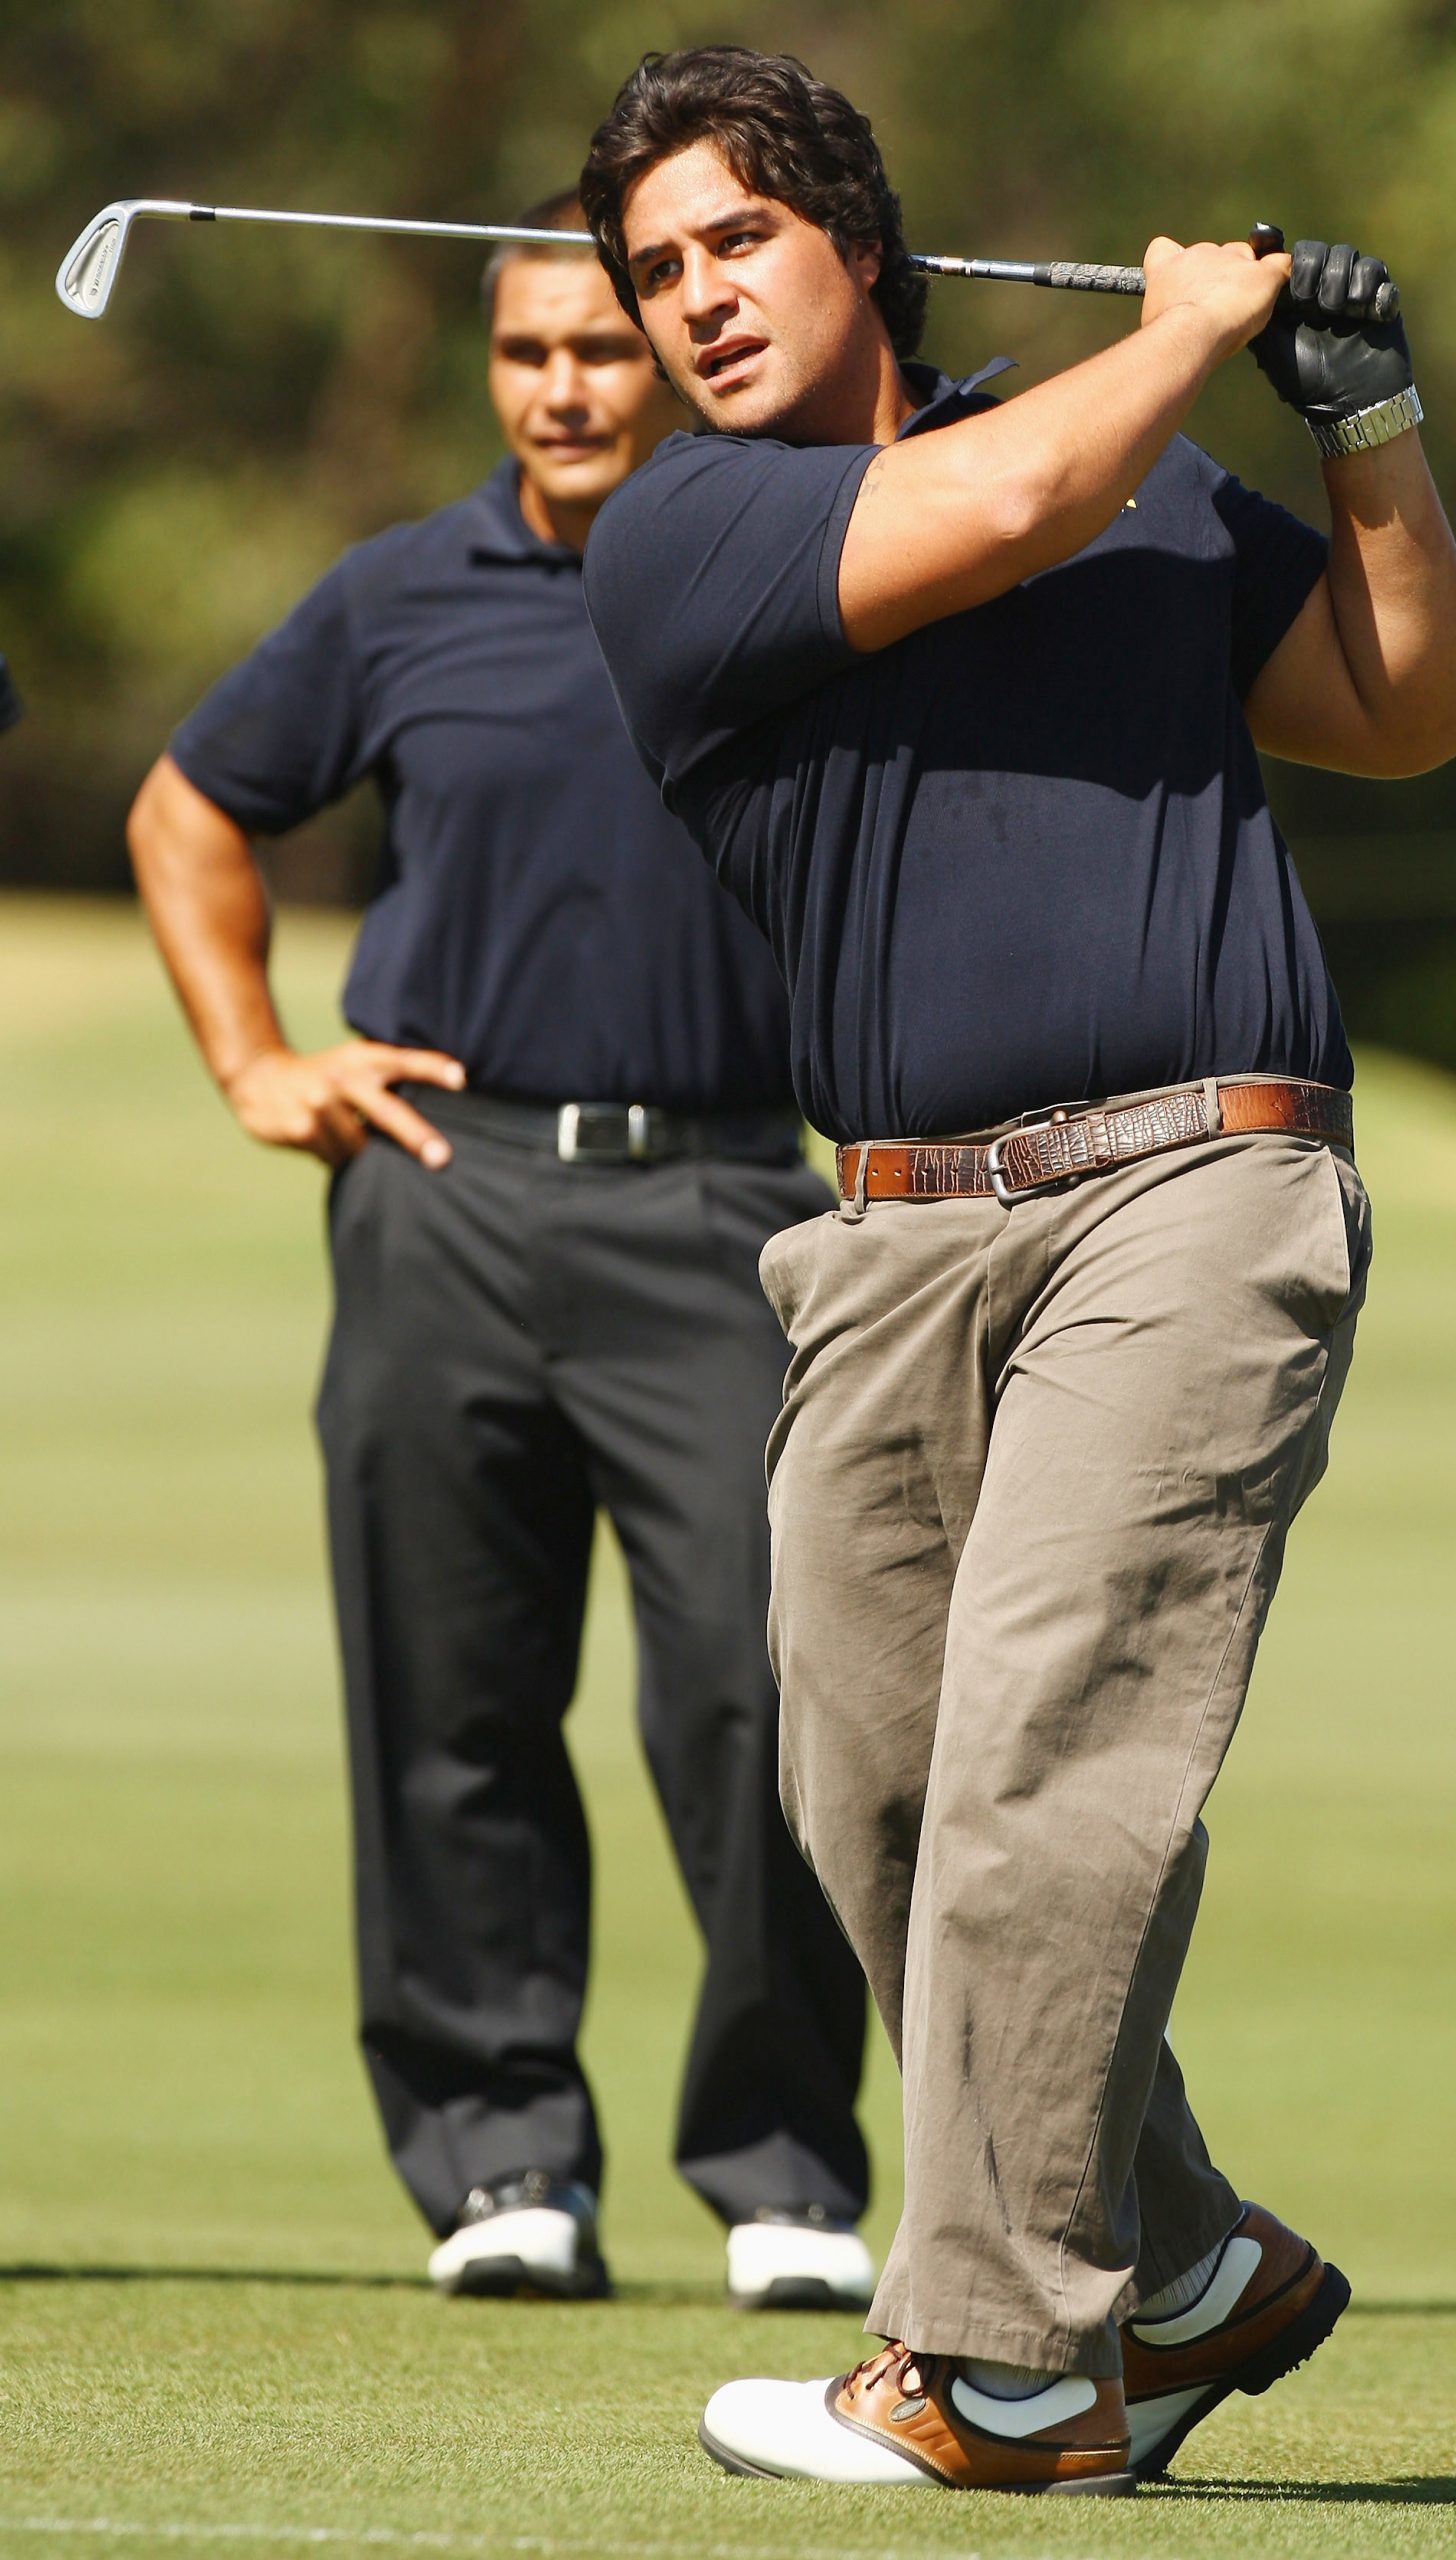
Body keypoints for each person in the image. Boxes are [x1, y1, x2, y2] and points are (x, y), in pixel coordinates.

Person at [578, 47, 1456, 2492]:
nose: (691, 303)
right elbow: (985, 503)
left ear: (850, 238)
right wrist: (1183, 329)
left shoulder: (1151, 487)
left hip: (1190, 1191)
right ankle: (1173, 2267)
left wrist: (1364, 419)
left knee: (1042, 1769)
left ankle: (982, 2364)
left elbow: (1400, 707)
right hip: (878, 1243)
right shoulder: (685, 538)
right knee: (875, 1798)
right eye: (655, 271)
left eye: (732, 242)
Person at [125, 191, 875, 2313]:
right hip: (442, 1194)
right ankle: (498, 2161)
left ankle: (783, 2169)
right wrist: (256, 1054)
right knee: (450, 1698)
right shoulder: (400, 593)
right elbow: (190, 809)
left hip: (725, 1203)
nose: (564, 387)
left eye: (604, 348)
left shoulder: (785, 565)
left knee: (760, 1691)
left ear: (672, 350)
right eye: (529, 351)